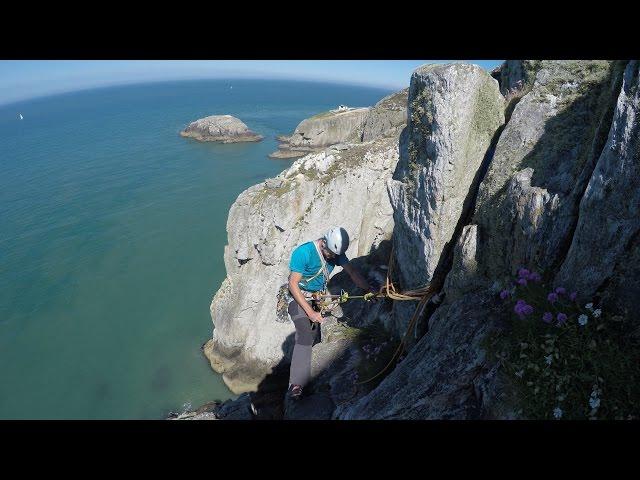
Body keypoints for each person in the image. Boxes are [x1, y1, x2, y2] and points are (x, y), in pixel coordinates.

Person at [286, 226, 375, 400]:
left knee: (314, 335)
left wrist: (367, 289)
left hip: (318, 298)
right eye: (331, 254)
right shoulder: (303, 252)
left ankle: (305, 363)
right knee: (305, 334)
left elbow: (352, 272)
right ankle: (296, 384)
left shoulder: (336, 252)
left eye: (336, 256)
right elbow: (293, 284)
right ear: (323, 243)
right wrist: (311, 313)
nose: (333, 258)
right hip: (297, 298)